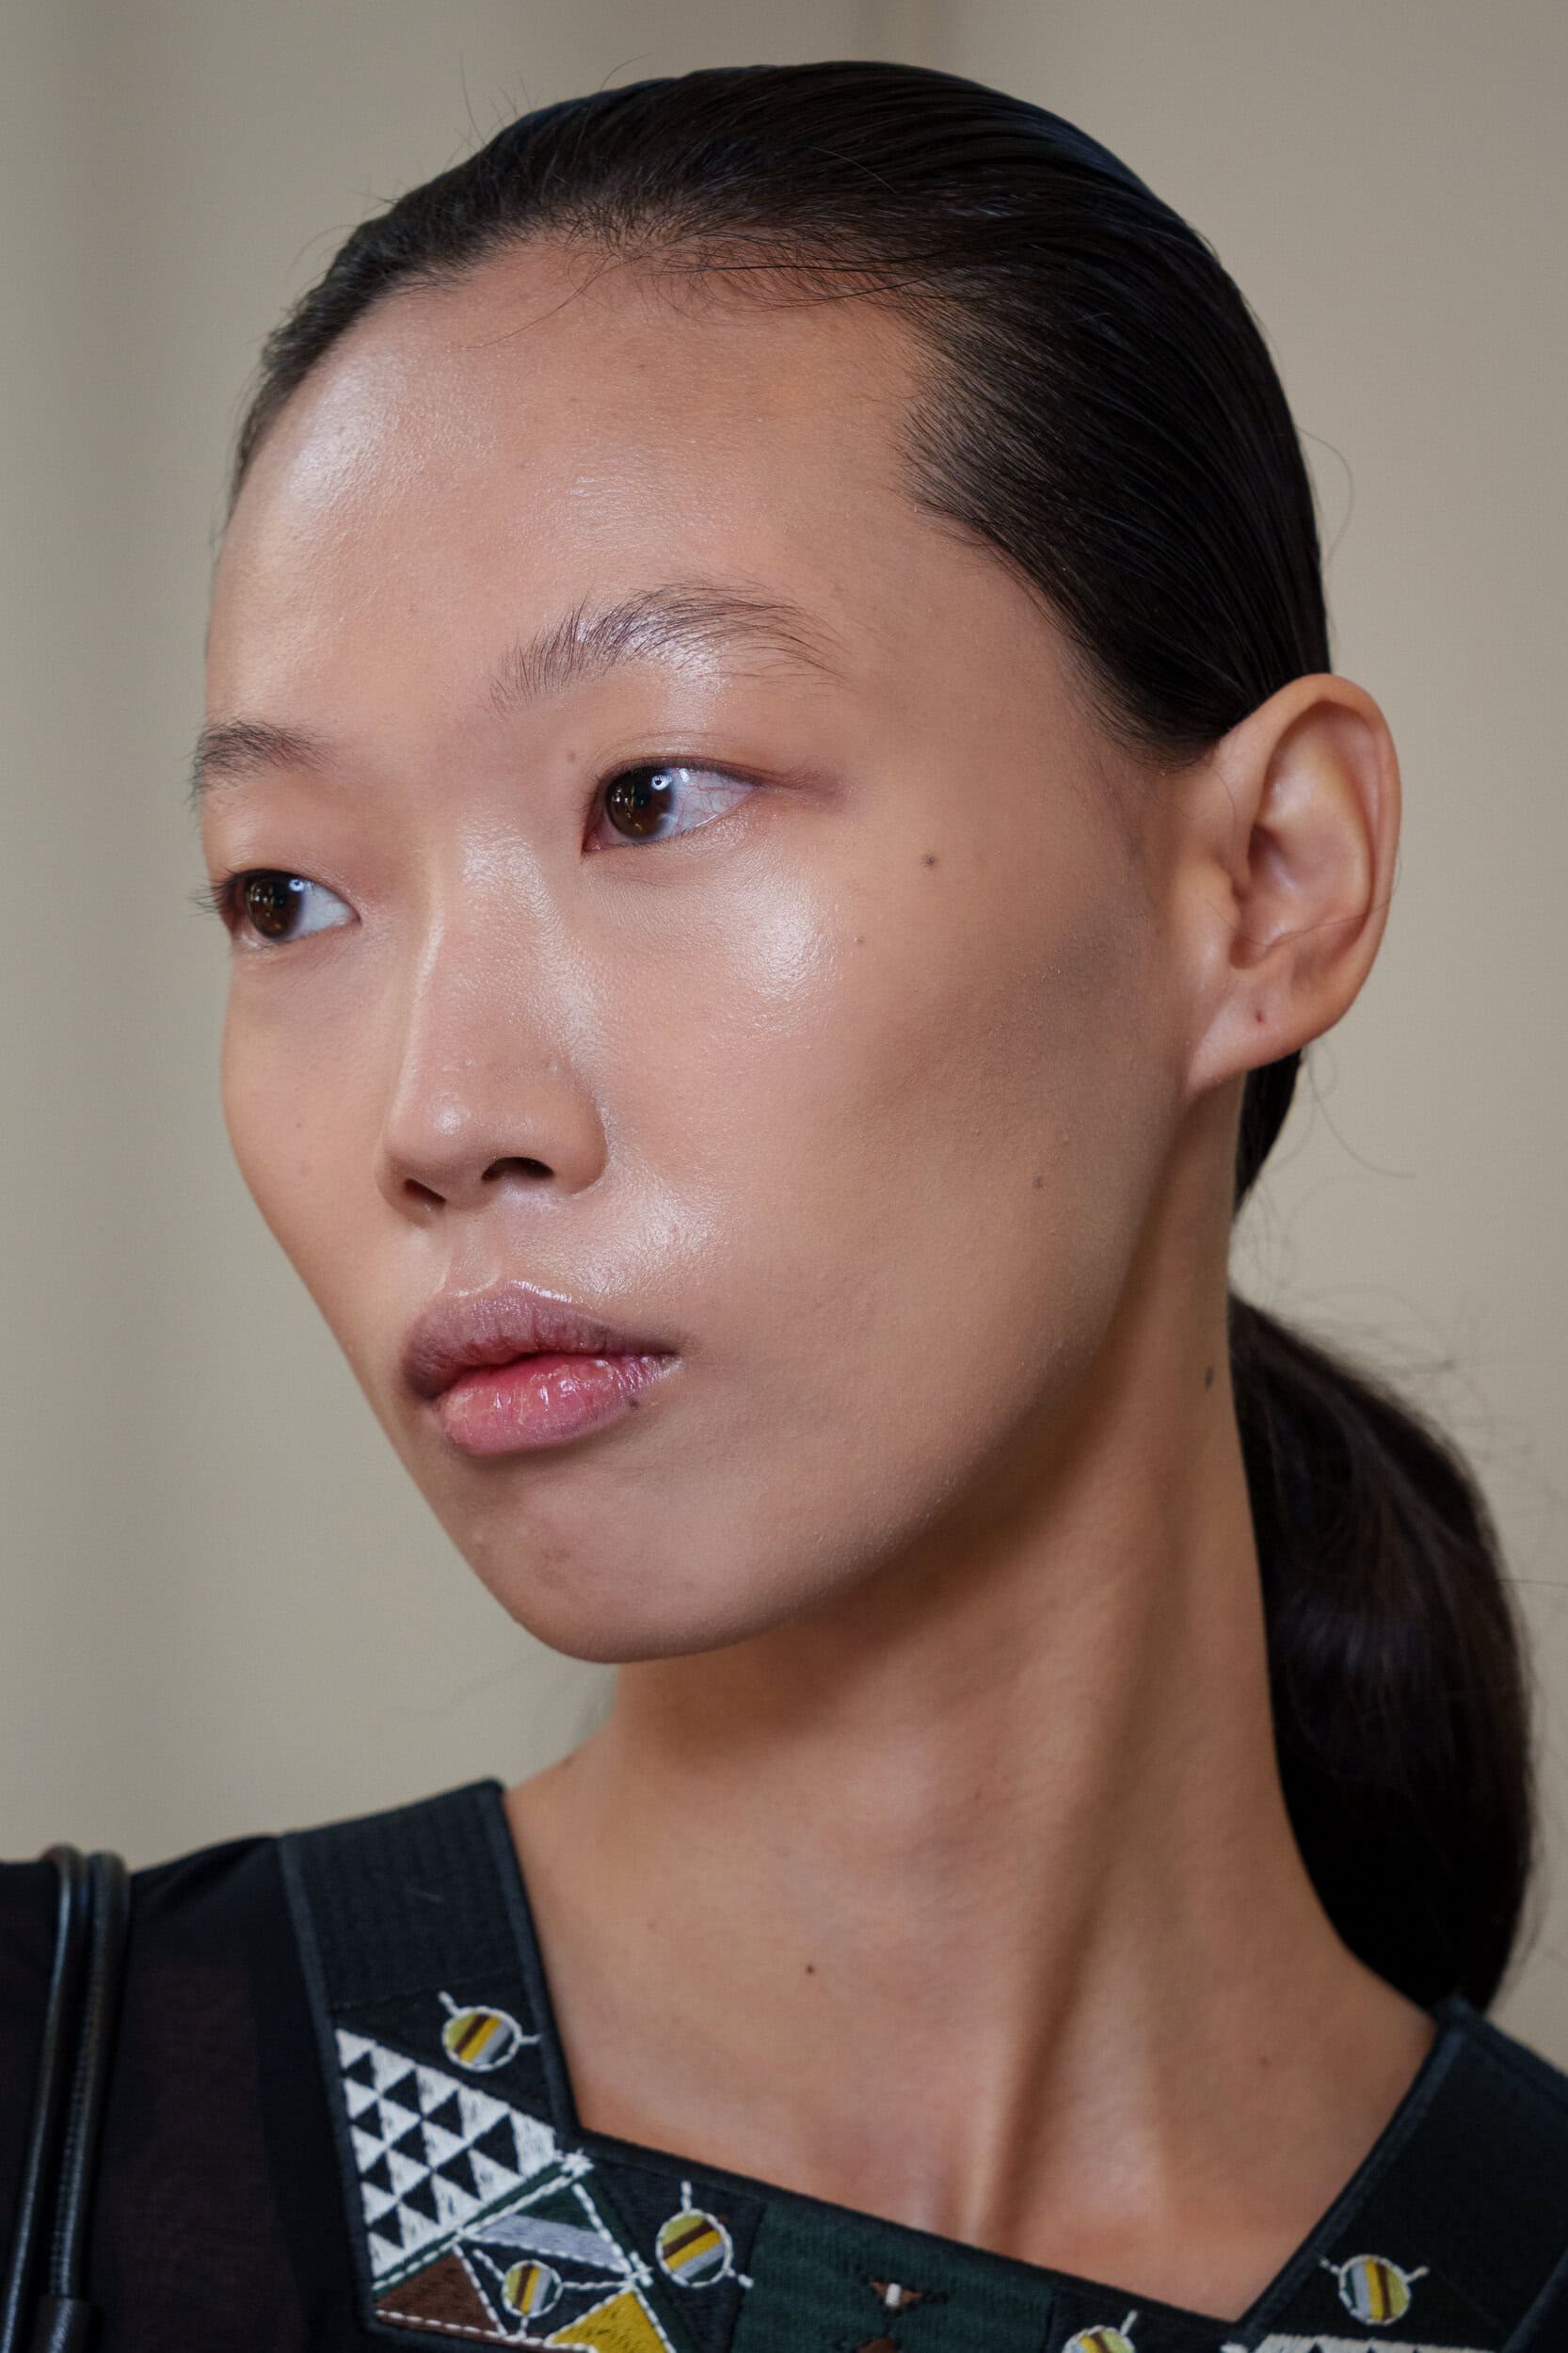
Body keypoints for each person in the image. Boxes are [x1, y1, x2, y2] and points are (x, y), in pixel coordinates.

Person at [2, 56, 1564, 2353]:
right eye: (287, 892)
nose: (441, 1111)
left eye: (650, 792)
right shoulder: (53, 2137)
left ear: (1263, 879)